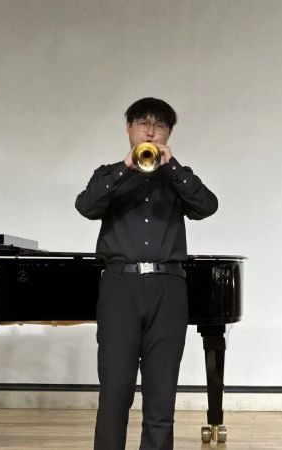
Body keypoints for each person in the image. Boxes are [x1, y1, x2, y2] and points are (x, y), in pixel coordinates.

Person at [75, 97, 218, 450]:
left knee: (161, 393)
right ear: (129, 129)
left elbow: (207, 205)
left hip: (168, 287)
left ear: (169, 134)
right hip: (120, 286)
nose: (151, 133)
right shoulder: (108, 174)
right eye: (143, 124)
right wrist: (126, 167)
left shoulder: (178, 178)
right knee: (115, 391)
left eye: (160, 126)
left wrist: (173, 168)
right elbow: (86, 205)